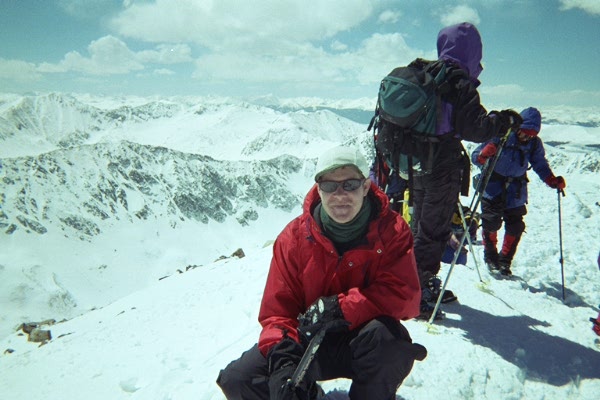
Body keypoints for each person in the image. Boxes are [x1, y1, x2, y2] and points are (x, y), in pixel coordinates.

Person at [217, 145, 426, 400]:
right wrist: (284, 362)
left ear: (365, 186)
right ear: (318, 189)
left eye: (350, 184)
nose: (340, 195)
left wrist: (341, 309)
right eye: (329, 186)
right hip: (307, 339)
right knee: (239, 380)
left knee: (389, 345)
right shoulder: (293, 239)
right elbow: (278, 312)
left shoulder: (392, 231)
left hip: (362, 338)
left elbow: (405, 296)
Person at [406, 22, 523, 318]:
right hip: (441, 167)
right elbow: (476, 129)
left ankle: (411, 283)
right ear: (472, 52)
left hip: (416, 164)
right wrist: (503, 121)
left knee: (419, 225)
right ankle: (420, 293)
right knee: (434, 230)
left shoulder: (425, 74)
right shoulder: (458, 81)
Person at [471, 106, 566, 276]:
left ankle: (505, 260)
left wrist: (551, 180)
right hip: (493, 185)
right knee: (491, 222)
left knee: (515, 226)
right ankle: (491, 256)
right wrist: (483, 155)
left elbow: (540, 164)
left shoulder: (534, 144)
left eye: (531, 135)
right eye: (525, 133)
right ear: (518, 127)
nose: (527, 137)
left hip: (516, 190)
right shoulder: (500, 135)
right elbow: (476, 157)